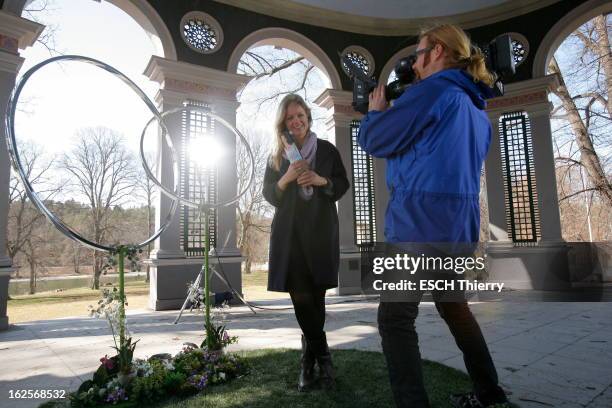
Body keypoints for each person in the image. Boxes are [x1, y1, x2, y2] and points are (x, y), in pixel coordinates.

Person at [358, 24, 509, 408]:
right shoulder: (477, 107)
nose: (415, 63)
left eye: (419, 52)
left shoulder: (435, 90)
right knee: (455, 308)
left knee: (395, 320)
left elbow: (375, 141)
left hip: (416, 225)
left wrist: (375, 114)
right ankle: (489, 393)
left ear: (438, 51)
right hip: (458, 228)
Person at [262, 94, 349, 391]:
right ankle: (323, 361)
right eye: (290, 118)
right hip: (290, 237)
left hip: (322, 233)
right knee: (300, 297)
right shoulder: (277, 156)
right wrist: (286, 178)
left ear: (308, 118)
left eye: (300, 115)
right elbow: (269, 194)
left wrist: (319, 180)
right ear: (283, 124)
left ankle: (308, 363)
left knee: (317, 299)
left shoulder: (326, 150)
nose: (296, 121)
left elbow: (341, 184)